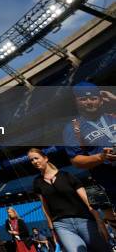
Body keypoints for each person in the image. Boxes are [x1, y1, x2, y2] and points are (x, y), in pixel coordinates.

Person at [28, 147, 110, 252]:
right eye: (31, 160)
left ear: (46, 158)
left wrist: (99, 221)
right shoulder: (37, 182)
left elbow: (86, 199)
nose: (34, 161)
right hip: (61, 225)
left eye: (36, 158)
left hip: (84, 220)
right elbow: (44, 206)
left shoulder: (67, 176)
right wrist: (52, 228)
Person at [62, 82, 116, 229]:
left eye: (93, 98)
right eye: (83, 99)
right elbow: (76, 160)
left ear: (100, 99)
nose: (89, 102)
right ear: (76, 101)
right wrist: (101, 157)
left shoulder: (113, 114)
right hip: (110, 183)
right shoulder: (73, 128)